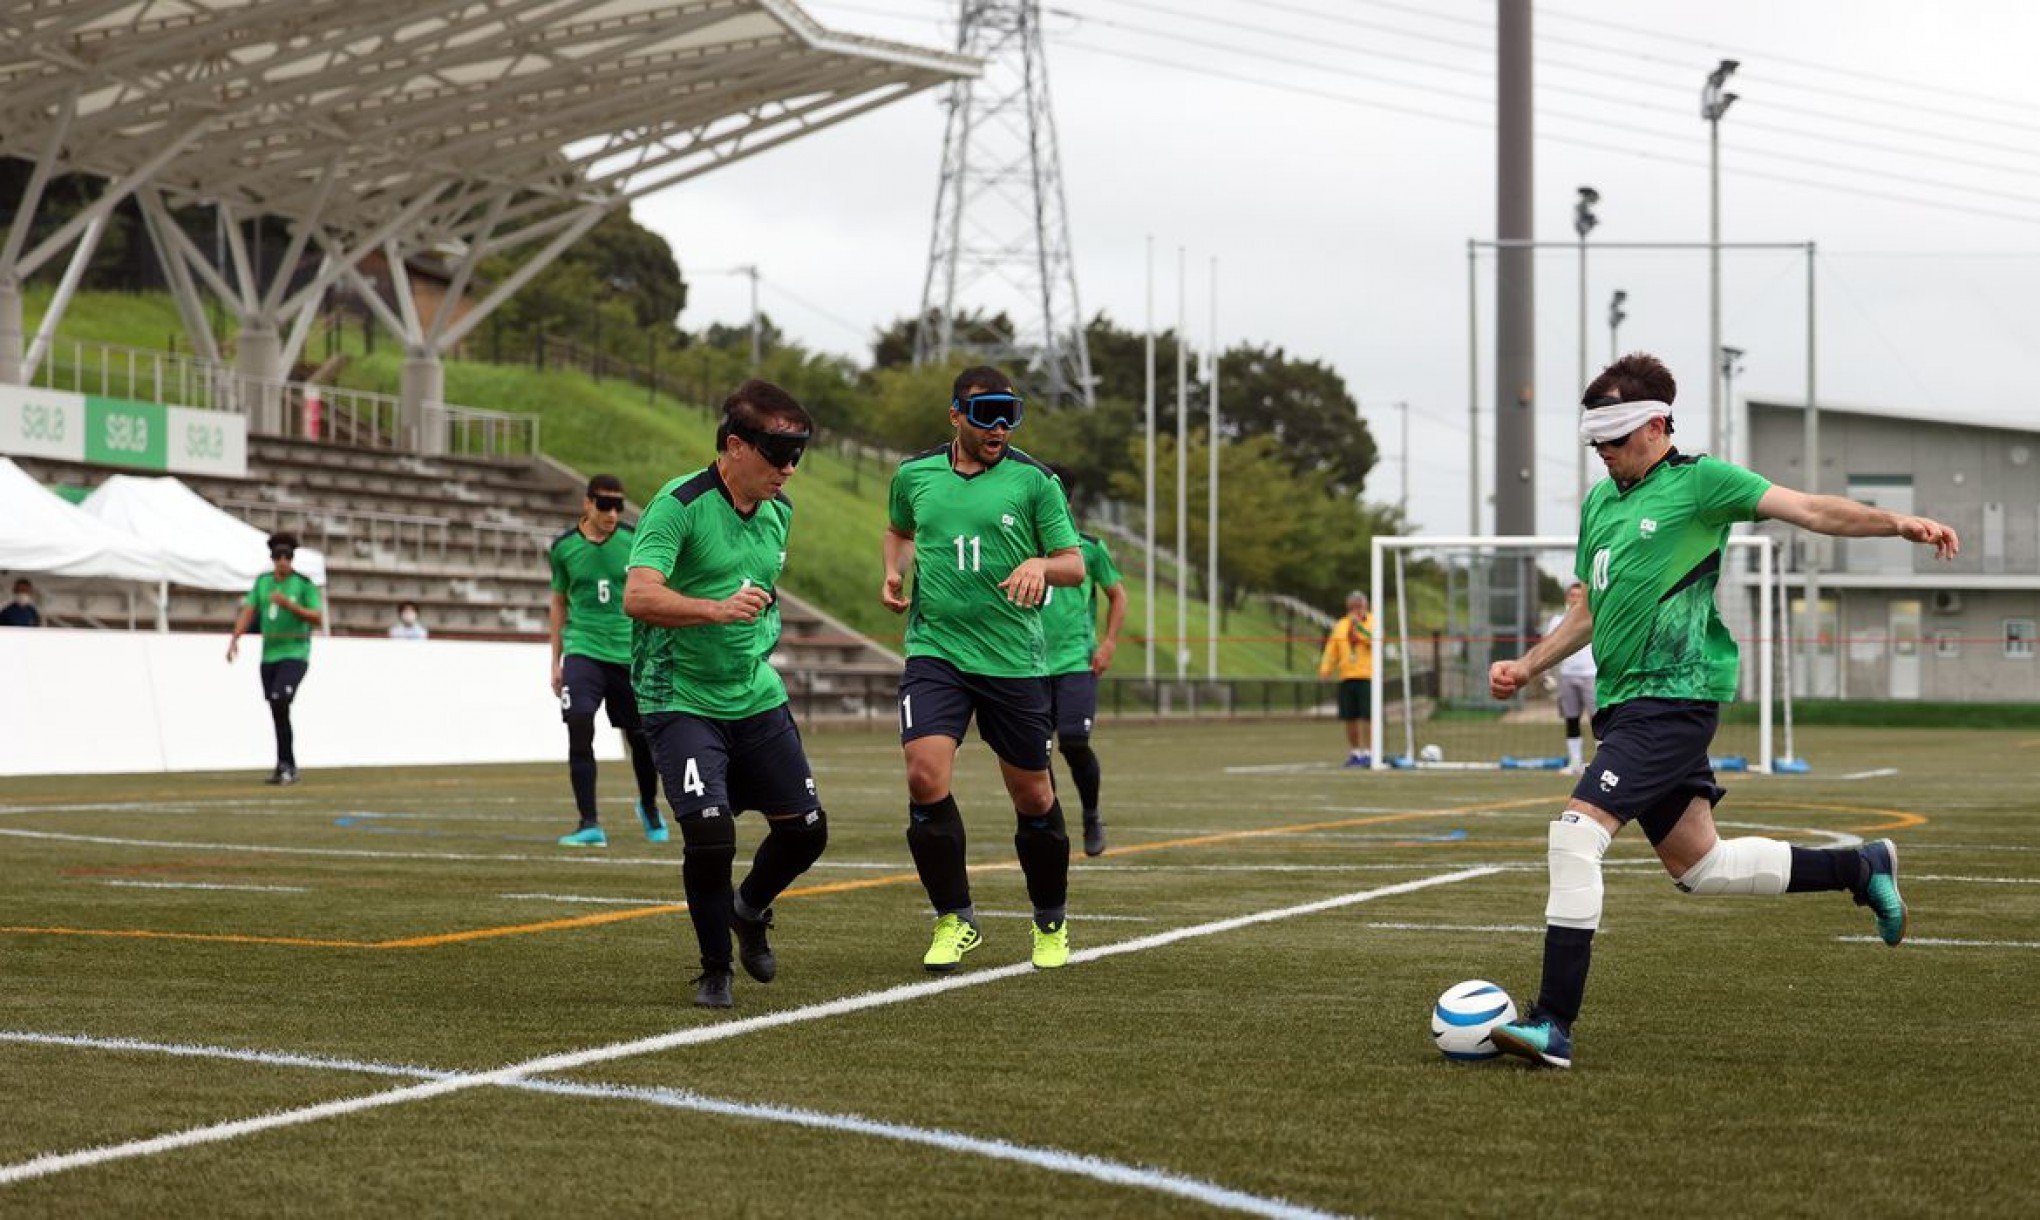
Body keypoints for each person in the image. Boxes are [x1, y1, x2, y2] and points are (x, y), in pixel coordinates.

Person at [1484, 352, 1959, 1070]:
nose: (1604, 456)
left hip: (1673, 699)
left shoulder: (1703, 483)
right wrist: (1529, 664)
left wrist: (1897, 523)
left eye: (1613, 442)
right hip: (1621, 707)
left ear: (1653, 426)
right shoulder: (1600, 502)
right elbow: (1587, 610)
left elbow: (1808, 509)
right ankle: (1859, 868)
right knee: (1700, 865)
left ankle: (1553, 1023)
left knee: (1574, 837)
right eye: (1595, 446)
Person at [625, 379, 829, 1009]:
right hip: (679, 694)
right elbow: (639, 595)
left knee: (807, 833)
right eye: (776, 455)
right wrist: (713, 610)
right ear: (735, 446)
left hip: (754, 693)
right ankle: (716, 967)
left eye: (797, 457)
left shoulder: (779, 511)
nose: (788, 471)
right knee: (711, 837)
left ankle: (750, 908)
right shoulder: (678, 505)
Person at [882, 366, 1085, 973]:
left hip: (1012, 661)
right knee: (923, 775)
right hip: (935, 650)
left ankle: (1049, 920)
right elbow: (898, 530)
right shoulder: (913, 474)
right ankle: (955, 918)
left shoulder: (1035, 481)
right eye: (985, 413)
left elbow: (1073, 563)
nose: (998, 427)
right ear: (955, 416)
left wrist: (1040, 567)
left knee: (1033, 793)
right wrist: (893, 571)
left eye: (1010, 414)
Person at [548, 475, 667, 847]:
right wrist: (556, 660)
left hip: (627, 653)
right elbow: (558, 601)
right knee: (580, 725)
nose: (612, 513)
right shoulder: (563, 548)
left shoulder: (634, 542)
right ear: (587, 503)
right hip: (583, 649)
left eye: (618, 505)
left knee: (641, 738)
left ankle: (648, 804)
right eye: (604, 505)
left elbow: (654, 591)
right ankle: (589, 823)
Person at [1038, 476, 1127, 856]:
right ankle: (1048, 823)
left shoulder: (1089, 548)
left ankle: (1091, 815)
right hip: (1028, 663)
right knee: (1034, 754)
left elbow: (1117, 595)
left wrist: (1107, 644)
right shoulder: (1020, 541)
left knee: (1074, 742)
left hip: (1076, 660)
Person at [227, 532, 323, 785]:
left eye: (288, 556)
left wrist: (290, 606)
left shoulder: (303, 585)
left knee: (281, 700)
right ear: (272, 558)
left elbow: (317, 617)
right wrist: (235, 638)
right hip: (269, 655)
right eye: (278, 556)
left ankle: (286, 764)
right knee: (277, 709)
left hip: (295, 653)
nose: (283, 561)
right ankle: (285, 765)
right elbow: (249, 610)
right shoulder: (263, 583)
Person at [1318, 592, 1375, 767]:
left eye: (1360, 606)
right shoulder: (1341, 625)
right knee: (1350, 717)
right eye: (1353, 606)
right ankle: (1356, 752)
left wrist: (1360, 629)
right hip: (1347, 676)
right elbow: (1332, 649)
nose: (1356, 610)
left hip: (1367, 676)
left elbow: (1374, 641)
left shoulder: (1373, 622)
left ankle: (1371, 752)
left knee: (1368, 716)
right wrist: (1325, 669)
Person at [1544, 582, 1595, 774]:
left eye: (1579, 595)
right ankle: (1575, 763)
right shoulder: (1557, 621)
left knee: (1598, 720)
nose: (1575, 599)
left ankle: (1601, 764)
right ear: (1567, 598)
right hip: (1567, 675)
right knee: (1571, 719)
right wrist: (1547, 674)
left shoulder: (1594, 616)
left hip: (1591, 674)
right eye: (1572, 595)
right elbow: (1548, 647)